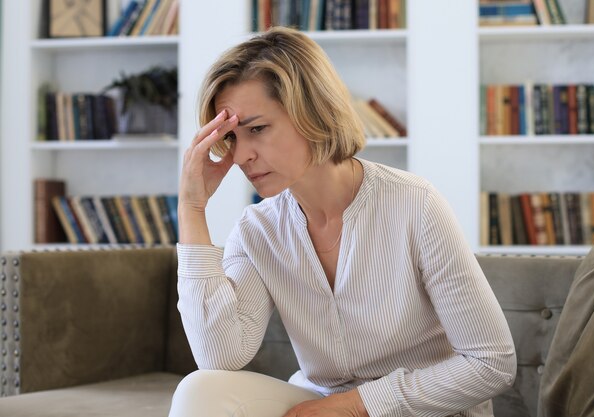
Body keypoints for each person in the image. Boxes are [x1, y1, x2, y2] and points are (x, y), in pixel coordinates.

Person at [169, 26, 516, 417]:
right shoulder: (257, 231)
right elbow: (220, 355)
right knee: (201, 391)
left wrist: (355, 407)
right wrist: (192, 208)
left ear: (311, 112)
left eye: (257, 129)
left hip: (426, 409)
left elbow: (492, 363)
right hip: (320, 402)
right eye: (231, 138)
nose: (241, 155)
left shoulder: (415, 205)